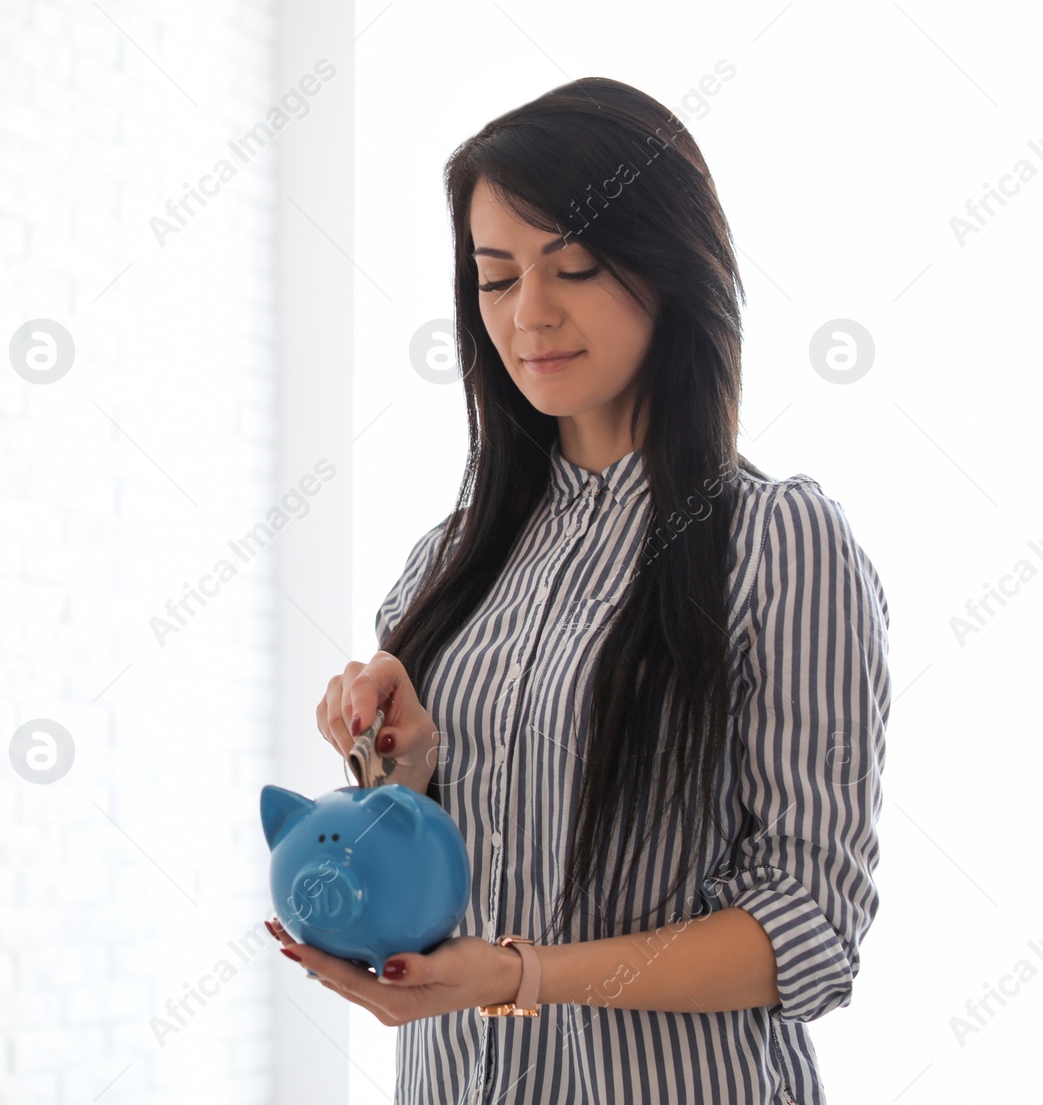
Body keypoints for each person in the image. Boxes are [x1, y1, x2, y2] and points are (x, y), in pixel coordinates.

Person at [268, 76, 890, 1104]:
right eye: (495, 277)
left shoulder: (777, 541)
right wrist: (401, 777)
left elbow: (810, 931)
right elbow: (433, 895)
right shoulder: (444, 565)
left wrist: (525, 976)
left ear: (673, 270)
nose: (530, 315)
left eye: (577, 267)